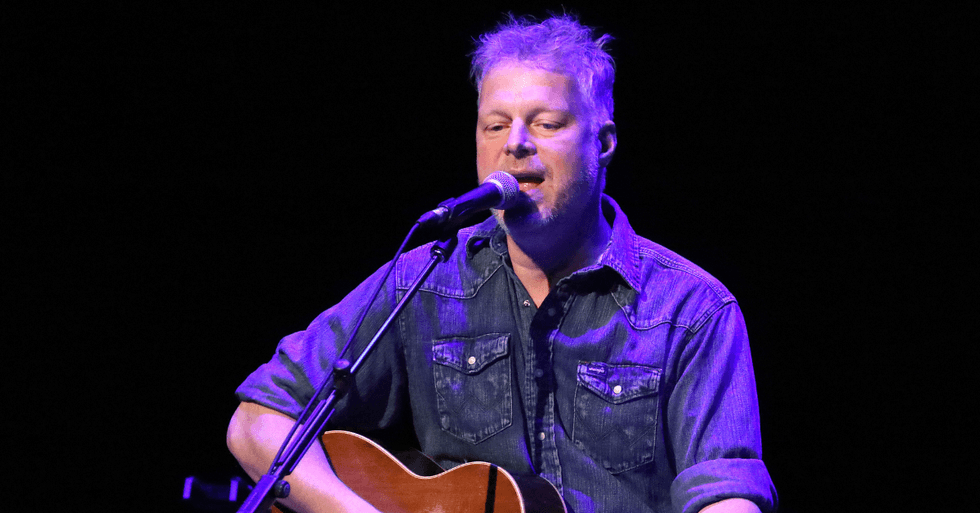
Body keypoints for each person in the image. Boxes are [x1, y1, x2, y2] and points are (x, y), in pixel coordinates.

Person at [227, 14, 777, 513]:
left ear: (604, 142)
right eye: (495, 125)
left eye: (546, 124)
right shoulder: (424, 282)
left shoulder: (692, 310)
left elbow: (726, 495)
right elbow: (256, 422)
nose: (514, 144)